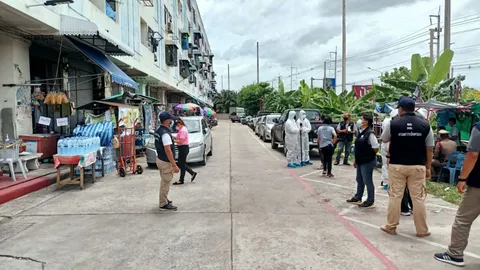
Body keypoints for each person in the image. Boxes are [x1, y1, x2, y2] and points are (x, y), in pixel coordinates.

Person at [380, 96, 434, 237]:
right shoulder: (425, 125)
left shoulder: (393, 123)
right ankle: (422, 230)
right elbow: (429, 149)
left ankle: (391, 226)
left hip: (397, 165)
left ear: (401, 109)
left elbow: (385, 139)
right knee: (418, 198)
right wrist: (428, 168)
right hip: (418, 166)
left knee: (395, 197)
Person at [434, 122, 480, 267]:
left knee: (463, 219)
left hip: (478, 183)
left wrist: (462, 178)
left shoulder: (479, 127)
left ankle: (455, 254)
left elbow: (472, 155)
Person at [347, 114, 379, 208]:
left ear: (366, 122)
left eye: (361, 119)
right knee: (359, 179)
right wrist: (356, 160)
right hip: (360, 160)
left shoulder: (370, 133)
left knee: (367, 181)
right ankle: (358, 197)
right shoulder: (360, 132)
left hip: (367, 161)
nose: (359, 121)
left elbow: (376, 148)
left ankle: (370, 201)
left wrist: (367, 153)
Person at [155, 111, 180, 211]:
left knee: (164, 181)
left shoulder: (159, 130)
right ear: (167, 120)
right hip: (165, 162)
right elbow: (168, 149)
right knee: (165, 183)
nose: (172, 121)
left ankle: (164, 199)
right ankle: (163, 204)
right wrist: (174, 165)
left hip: (160, 159)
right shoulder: (165, 134)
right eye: (170, 119)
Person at [172, 118, 198, 185]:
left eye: (177, 125)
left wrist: (173, 141)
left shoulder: (183, 130)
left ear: (180, 124)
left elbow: (181, 141)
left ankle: (183, 179)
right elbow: (178, 138)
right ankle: (190, 174)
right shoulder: (181, 129)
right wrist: (172, 137)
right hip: (182, 148)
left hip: (183, 148)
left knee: (182, 164)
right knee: (181, 163)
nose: (176, 127)